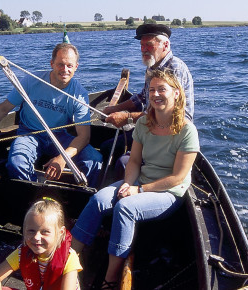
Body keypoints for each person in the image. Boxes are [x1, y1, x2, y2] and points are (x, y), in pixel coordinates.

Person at [70, 69, 200, 289]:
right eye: (151, 90)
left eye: (162, 89)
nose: (156, 94)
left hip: (169, 192)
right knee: (99, 200)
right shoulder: (143, 124)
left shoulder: (187, 131)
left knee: (126, 208)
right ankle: (69, 259)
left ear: (176, 93)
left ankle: (110, 279)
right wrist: (129, 183)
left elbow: (178, 178)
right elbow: (134, 161)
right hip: (141, 182)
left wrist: (138, 191)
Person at [0, 43, 102, 186]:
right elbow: (3, 109)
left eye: (69, 65)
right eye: (60, 64)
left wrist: (62, 159)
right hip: (30, 133)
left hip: (59, 135)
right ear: (51, 63)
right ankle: (34, 197)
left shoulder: (79, 94)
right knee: (17, 163)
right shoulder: (31, 81)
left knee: (94, 160)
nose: (65, 70)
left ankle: (82, 199)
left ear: (76, 67)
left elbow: (84, 136)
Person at [103, 23, 194, 127]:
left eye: (149, 45)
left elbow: (169, 113)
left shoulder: (175, 68)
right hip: (152, 124)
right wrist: (116, 108)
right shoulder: (152, 64)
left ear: (165, 46)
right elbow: (142, 96)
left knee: (106, 143)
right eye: (142, 45)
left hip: (173, 131)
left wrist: (127, 117)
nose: (144, 50)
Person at [0, 198, 82, 290]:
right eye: (31, 230)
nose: (36, 237)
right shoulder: (21, 253)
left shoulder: (69, 258)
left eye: (45, 231)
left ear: (60, 233)